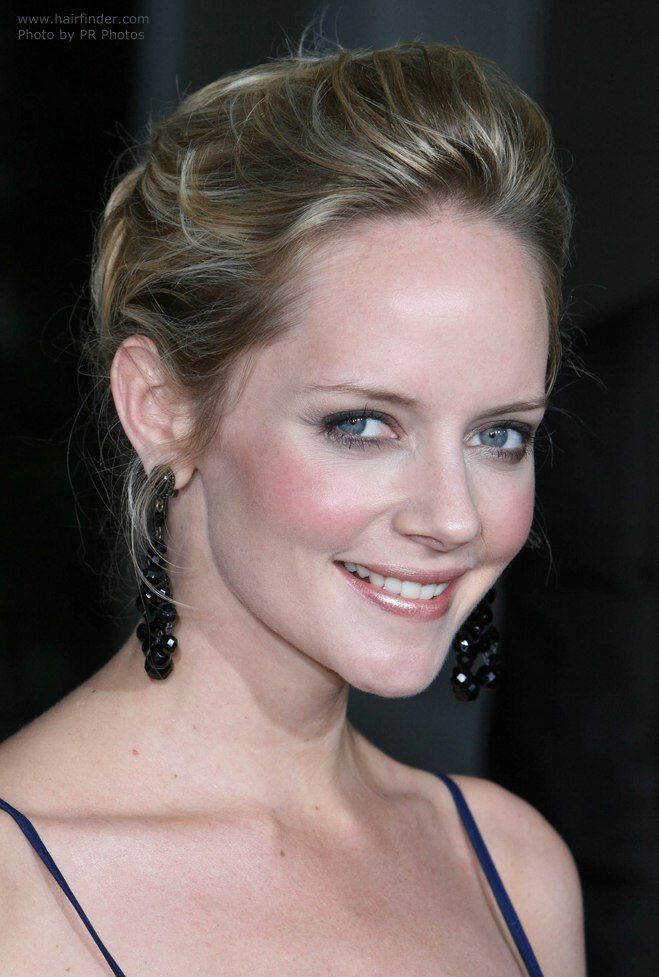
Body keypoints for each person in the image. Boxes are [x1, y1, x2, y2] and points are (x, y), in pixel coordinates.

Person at [0, 39, 586, 975]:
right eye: (362, 424)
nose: (453, 517)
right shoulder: (17, 891)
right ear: (162, 408)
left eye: (499, 436)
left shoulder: (515, 872)